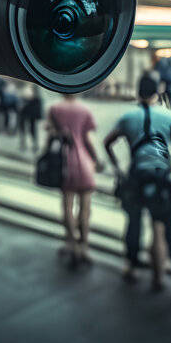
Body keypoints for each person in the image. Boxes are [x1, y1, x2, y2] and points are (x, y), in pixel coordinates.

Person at [104, 75, 171, 304]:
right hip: (160, 179)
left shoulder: (127, 118)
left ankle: (131, 268)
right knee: (164, 228)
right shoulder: (170, 117)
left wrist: (117, 167)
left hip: (135, 178)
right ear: (158, 92)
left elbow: (107, 142)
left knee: (134, 223)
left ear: (137, 92)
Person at [48, 93, 103, 268]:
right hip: (84, 162)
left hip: (65, 163)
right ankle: (84, 247)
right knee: (85, 209)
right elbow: (87, 139)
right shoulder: (84, 110)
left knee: (67, 206)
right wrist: (97, 159)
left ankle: (72, 246)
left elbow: (50, 137)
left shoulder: (55, 109)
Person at [18, 83, 44, 152]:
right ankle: (24, 144)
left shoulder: (34, 87)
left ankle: (34, 145)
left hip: (31, 112)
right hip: (25, 111)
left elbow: (36, 99)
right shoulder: (27, 86)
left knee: (32, 129)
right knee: (24, 128)